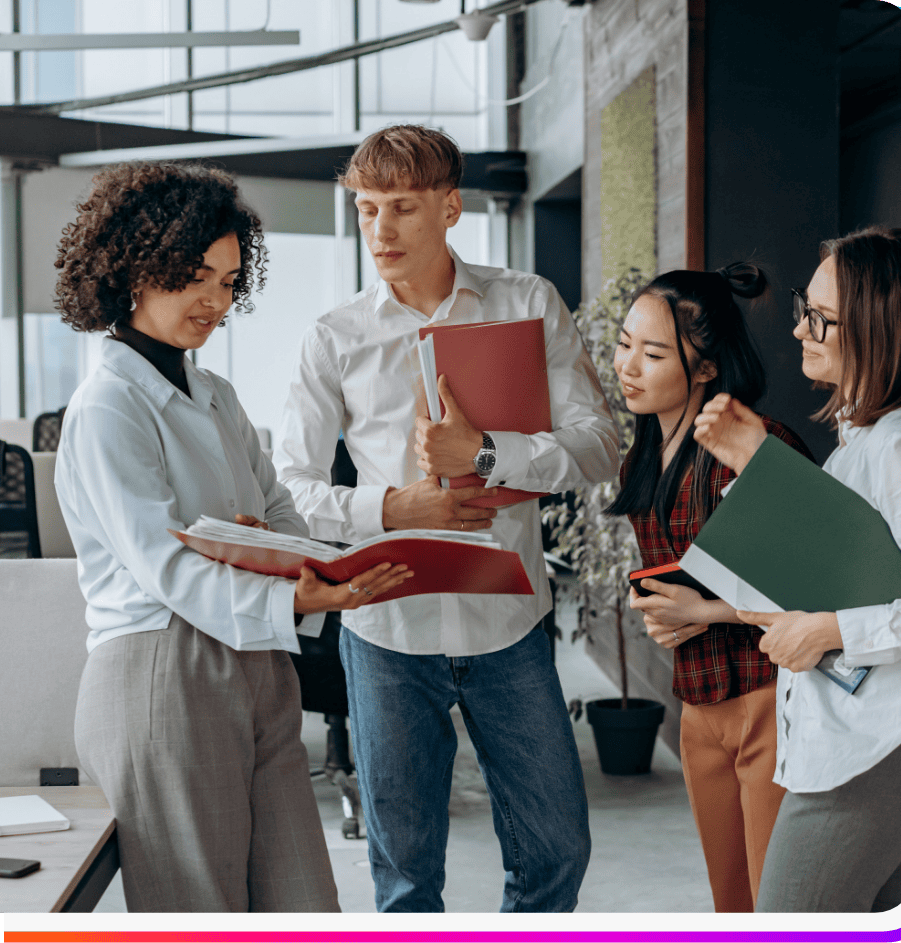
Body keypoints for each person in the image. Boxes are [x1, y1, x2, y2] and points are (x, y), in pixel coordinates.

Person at [274, 124, 619, 913]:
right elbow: (290, 489)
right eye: (366, 210)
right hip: (386, 631)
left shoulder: (526, 302)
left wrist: (488, 452)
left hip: (508, 621)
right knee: (404, 877)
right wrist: (396, 505)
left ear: (451, 207)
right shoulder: (333, 338)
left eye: (401, 207)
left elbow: (599, 446)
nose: (380, 230)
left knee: (556, 846)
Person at [53, 161, 412, 912]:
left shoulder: (215, 394)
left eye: (227, 280)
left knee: (303, 903)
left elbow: (280, 511)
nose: (214, 301)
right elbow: (167, 566)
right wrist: (290, 587)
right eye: (195, 277)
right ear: (133, 268)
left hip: (257, 660)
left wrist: (314, 570)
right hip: (161, 669)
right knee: (199, 907)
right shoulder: (109, 405)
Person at [693, 227, 901, 912]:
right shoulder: (862, 440)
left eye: (818, 317)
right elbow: (851, 565)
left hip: (880, 743)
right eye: (801, 305)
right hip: (858, 739)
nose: (797, 329)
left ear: (879, 329)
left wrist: (823, 629)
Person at [609, 264, 813, 912]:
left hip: (769, 700)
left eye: (652, 352)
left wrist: (706, 609)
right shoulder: (643, 450)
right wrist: (663, 614)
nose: (628, 365)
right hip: (696, 706)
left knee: (777, 903)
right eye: (623, 344)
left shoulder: (755, 445)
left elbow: (818, 584)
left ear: (704, 368)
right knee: (730, 902)